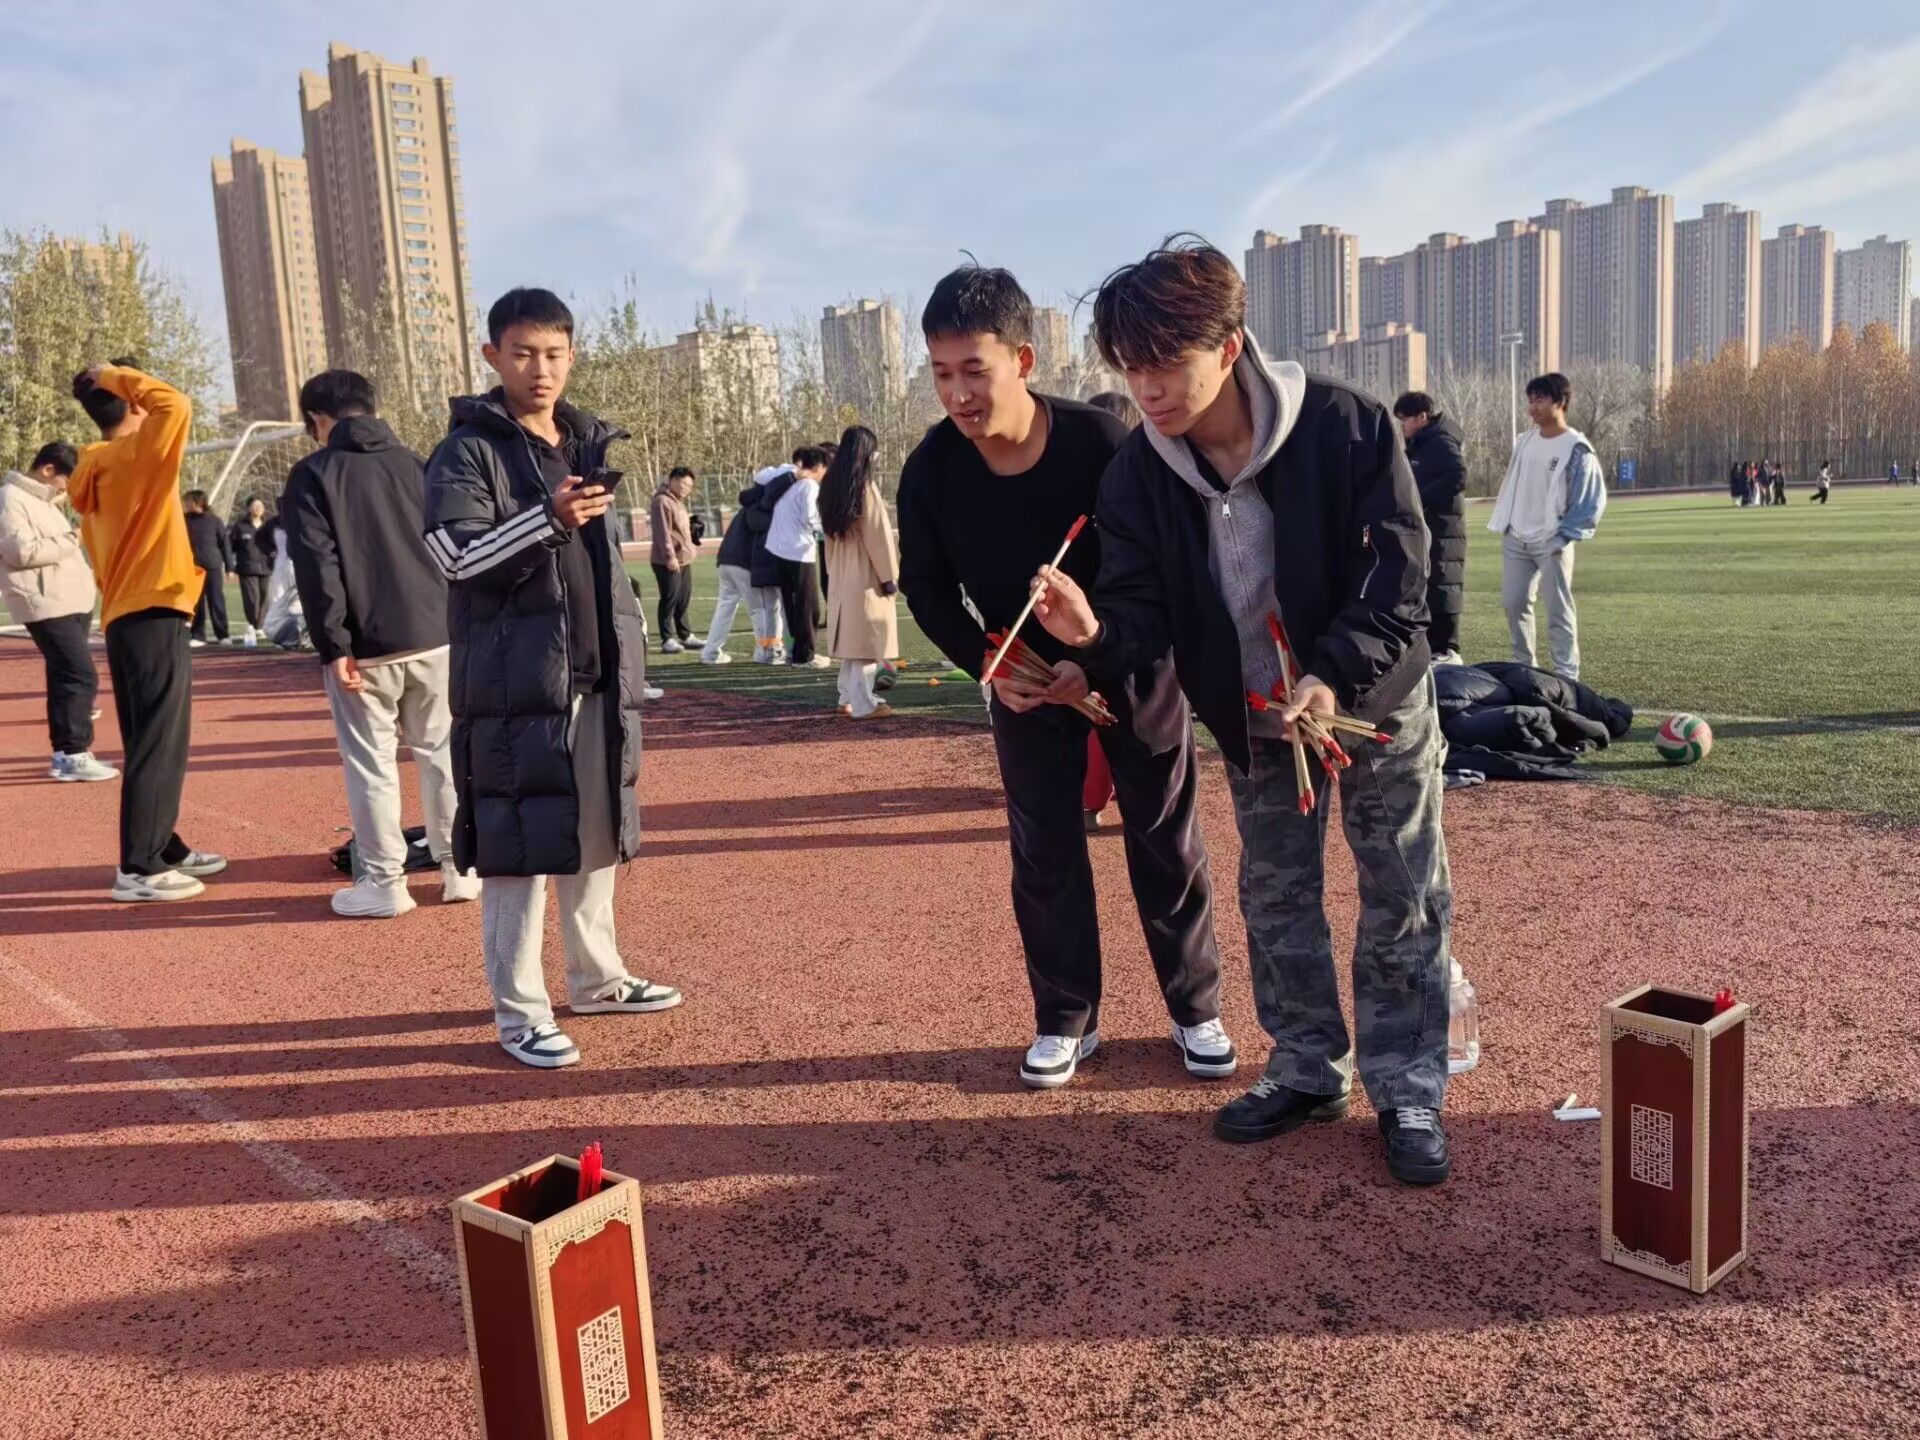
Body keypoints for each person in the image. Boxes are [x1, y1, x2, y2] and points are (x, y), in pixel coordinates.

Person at [1027, 237, 1453, 1185]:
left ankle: (1408, 1086)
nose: (1146, 389)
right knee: (1274, 894)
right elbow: (1141, 611)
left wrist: (1331, 676)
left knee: (1402, 889)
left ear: (1227, 347)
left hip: (1371, 703)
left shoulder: (1344, 425)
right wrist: (1093, 631)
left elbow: (1399, 579)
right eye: (1129, 367)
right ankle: (1306, 1067)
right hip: (1257, 719)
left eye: (1164, 363)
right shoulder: (1138, 473)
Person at [899, 262, 1235, 1091]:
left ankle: (1195, 1009)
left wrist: (1091, 655)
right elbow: (927, 589)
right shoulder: (930, 470)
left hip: (1130, 661)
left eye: (974, 370)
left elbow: (1153, 573)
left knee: (1164, 839)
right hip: (1021, 676)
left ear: (1023, 359)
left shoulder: (1104, 445)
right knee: (1044, 847)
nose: (957, 394)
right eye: (941, 374)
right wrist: (991, 662)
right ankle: (1065, 1017)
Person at [424, 287, 681, 1070]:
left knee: (596, 837)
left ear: (572, 357)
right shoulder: (467, 452)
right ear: (492, 356)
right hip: (516, 685)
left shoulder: (584, 441)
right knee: (519, 852)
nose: (541, 369)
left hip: (595, 674)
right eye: (524, 353)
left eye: (555, 354)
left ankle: (598, 980)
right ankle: (520, 1013)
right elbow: (452, 556)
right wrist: (546, 519)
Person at [281, 368, 480, 919]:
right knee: (441, 753)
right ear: (371, 407)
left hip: (365, 642)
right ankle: (459, 869)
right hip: (437, 630)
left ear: (317, 419)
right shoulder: (418, 463)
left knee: (371, 763)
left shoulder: (313, 474)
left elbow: (317, 566)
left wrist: (333, 644)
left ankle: (384, 881)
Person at [69, 360, 225, 901]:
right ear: (134, 401)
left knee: (150, 740)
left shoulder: (95, 465)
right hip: (153, 608)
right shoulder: (137, 454)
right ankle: (139, 866)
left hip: (126, 614)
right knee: (160, 741)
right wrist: (117, 374)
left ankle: (162, 845)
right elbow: (175, 404)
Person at [1, 442, 117, 782]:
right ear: (48, 470)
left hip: (70, 599)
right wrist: (73, 538)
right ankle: (73, 752)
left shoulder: (44, 501)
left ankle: (66, 754)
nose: (69, 488)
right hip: (44, 600)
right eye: (67, 480)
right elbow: (20, 552)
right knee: (80, 674)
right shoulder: (10, 499)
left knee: (64, 675)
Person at [1487, 372, 1606, 681]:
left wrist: (1564, 536)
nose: (1533, 407)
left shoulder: (1575, 448)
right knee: (1514, 603)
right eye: (1530, 400)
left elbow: (1590, 499)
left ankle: (1567, 677)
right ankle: (1525, 669)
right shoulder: (1525, 441)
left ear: (1560, 402)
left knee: (1558, 610)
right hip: (1516, 537)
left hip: (1551, 540)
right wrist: (1508, 524)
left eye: (1540, 399)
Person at [1078, 392, 1142, 833]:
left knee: (1099, 712)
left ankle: (1092, 800)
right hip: (1114, 617)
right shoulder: (1135, 480)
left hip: (1099, 615)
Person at [820, 425, 899, 719]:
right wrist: (889, 577)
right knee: (867, 641)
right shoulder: (865, 488)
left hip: (841, 570)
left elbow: (828, 539)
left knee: (852, 641)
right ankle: (864, 703)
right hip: (864, 571)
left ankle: (846, 696)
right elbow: (878, 537)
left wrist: (833, 571)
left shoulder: (829, 488)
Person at [1393, 391, 1468, 666]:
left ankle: (1447, 650)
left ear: (1422, 417)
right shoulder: (1420, 444)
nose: (1403, 425)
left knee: (1443, 584)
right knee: (1429, 585)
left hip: (1444, 530)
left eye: (1405, 419)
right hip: (1428, 529)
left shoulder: (1440, 442)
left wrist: (1420, 501)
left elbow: (1458, 474)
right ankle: (1432, 649)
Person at [765, 446, 833, 668]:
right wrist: (832, 531)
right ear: (820, 466)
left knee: (792, 604)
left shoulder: (789, 481)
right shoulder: (809, 486)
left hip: (779, 549)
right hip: (798, 552)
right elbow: (811, 519)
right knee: (808, 606)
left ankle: (796, 652)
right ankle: (804, 656)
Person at [648, 466, 698, 652]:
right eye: (684, 484)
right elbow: (662, 533)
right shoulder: (662, 501)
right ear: (673, 480)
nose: (687, 489)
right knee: (670, 598)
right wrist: (670, 557)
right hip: (667, 560)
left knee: (683, 598)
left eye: (690, 486)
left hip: (683, 559)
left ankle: (685, 635)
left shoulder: (677, 502)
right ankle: (667, 638)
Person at [181, 489, 232, 645]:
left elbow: (225, 544)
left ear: (198, 502)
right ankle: (198, 635)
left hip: (212, 566)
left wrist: (230, 568)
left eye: (188, 501)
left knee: (216, 600)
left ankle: (223, 635)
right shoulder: (184, 520)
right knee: (196, 602)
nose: (185, 504)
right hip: (192, 567)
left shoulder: (214, 521)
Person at [228, 495, 273, 635]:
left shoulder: (268, 526)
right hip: (247, 568)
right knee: (252, 598)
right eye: (256, 505)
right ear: (249, 508)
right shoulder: (240, 526)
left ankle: (260, 626)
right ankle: (253, 624)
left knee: (265, 597)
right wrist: (230, 567)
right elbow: (230, 546)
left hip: (266, 567)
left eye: (261, 506)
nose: (259, 508)